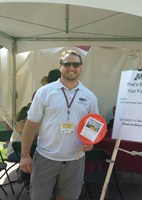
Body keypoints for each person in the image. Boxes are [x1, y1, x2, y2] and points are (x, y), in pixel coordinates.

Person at [20, 50, 99, 200]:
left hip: (75, 159)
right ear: (60, 66)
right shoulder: (44, 92)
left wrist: (90, 142)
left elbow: (93, 124)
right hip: (45, 157)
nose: (71, 67)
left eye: (75, 64)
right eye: (67, 64)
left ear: (80, 67)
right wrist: (24, 155)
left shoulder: (89, 96)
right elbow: (30, 125)